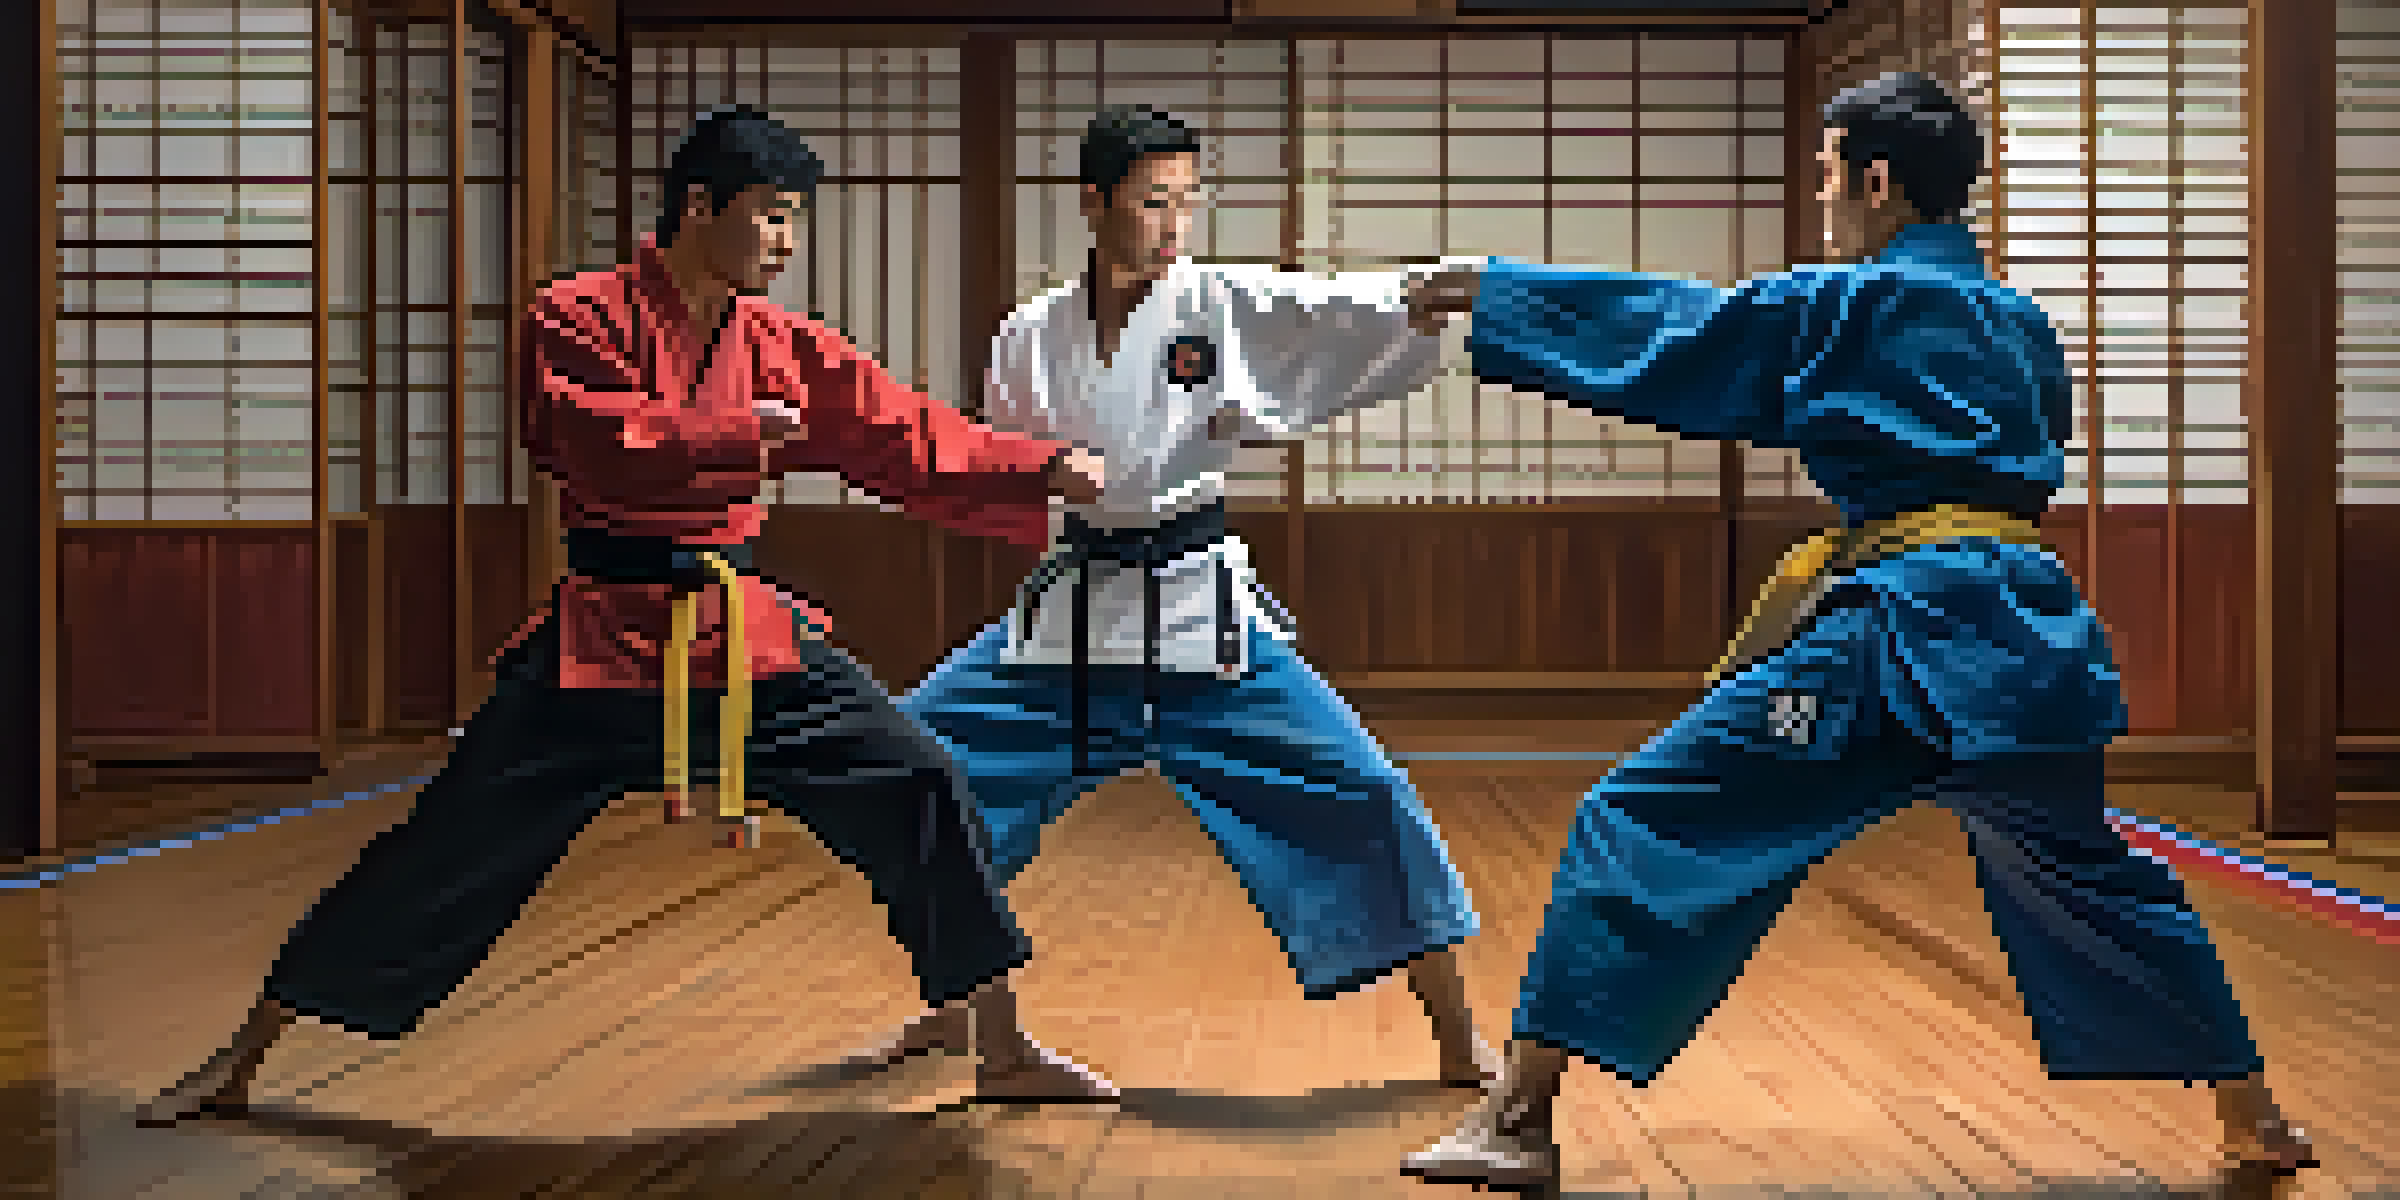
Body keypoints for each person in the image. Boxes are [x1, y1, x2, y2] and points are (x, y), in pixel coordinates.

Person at [1397, 72, 2316, 1189]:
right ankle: (2252, 1114)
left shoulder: (1848, 304)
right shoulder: (2023, 327)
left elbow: (1688, 332)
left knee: (1642, 815)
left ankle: (1518, 1118)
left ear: (1875, 180)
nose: (1823, 197)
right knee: (2091, 875)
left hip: (1897, 643)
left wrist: (1495, 290)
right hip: (2033, 645)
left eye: (1829, 173)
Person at [135, 105, 1118, 1127]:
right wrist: (733, 433)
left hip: (739, 640)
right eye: (770, 217)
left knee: (918, 780)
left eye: (796, 222)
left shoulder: (776, 341)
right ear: (699, 207)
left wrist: (1039, 465)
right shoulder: (575, 315)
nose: (786, 243)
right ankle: (242, 1059)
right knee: (445, 846)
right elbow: (587, 441)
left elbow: (898, 430)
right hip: (601, 644)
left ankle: (1001, 1048)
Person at [841, 105, 1498, 1089]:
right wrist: (1043, 472)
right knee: (927, 767)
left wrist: (1422, 295)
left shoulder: (1217, 306)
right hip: (1077, 612)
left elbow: (1324, 310)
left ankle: (1459, 1035)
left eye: (1189, 204)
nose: (1175, 226)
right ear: (1094, 204)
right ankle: (976, 1022)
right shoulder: (1031, 333)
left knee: (1363, 791)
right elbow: (1003, 456)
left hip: (1201, 616)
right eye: (1155, 203)